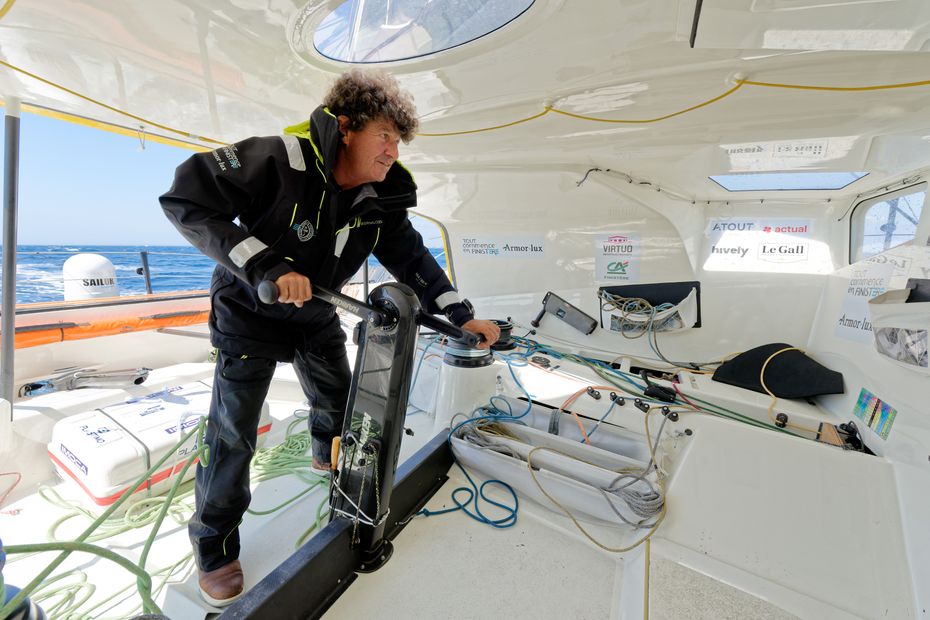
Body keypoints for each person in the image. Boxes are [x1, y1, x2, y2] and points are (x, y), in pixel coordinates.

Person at [160, 69, 500, 607]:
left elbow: (413, 259)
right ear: (346, 127)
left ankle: (326, 455)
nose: (392, 150)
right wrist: (266, 265)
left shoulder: (378, 197)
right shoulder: (279, 158)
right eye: (383, 135)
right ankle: (214, 547)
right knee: (233, 434)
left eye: (397, 140)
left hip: (316, 309)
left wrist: (461, 315)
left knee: (339, 401)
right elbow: (187, 199)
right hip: (250, 310)